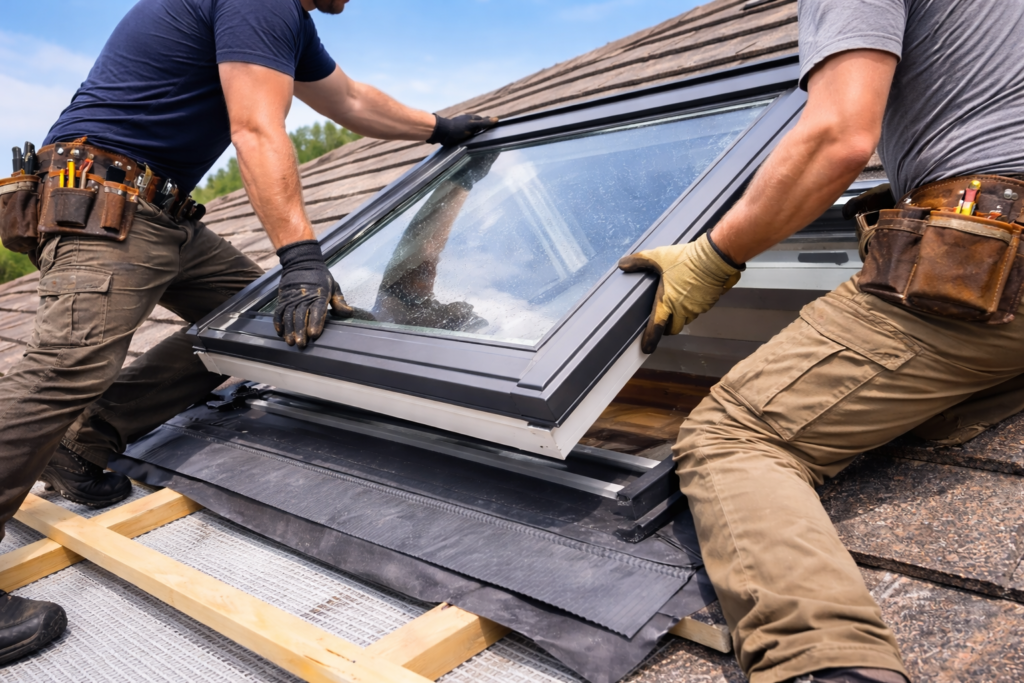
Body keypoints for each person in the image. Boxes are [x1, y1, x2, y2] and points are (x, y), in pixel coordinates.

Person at [0, 0, 495, 663]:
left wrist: (440, 128)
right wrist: (302, 259)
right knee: (66, 366)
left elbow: (347, 98)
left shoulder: (284, 19)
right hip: (105, 202)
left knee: (253, 320)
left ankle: (85, 442)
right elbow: (257, 127)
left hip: (162, 212)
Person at [618, 1, 1024, 681]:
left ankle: (831, 667)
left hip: (996, 260)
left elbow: (838, 134)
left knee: (734, 434)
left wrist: (716, 254)